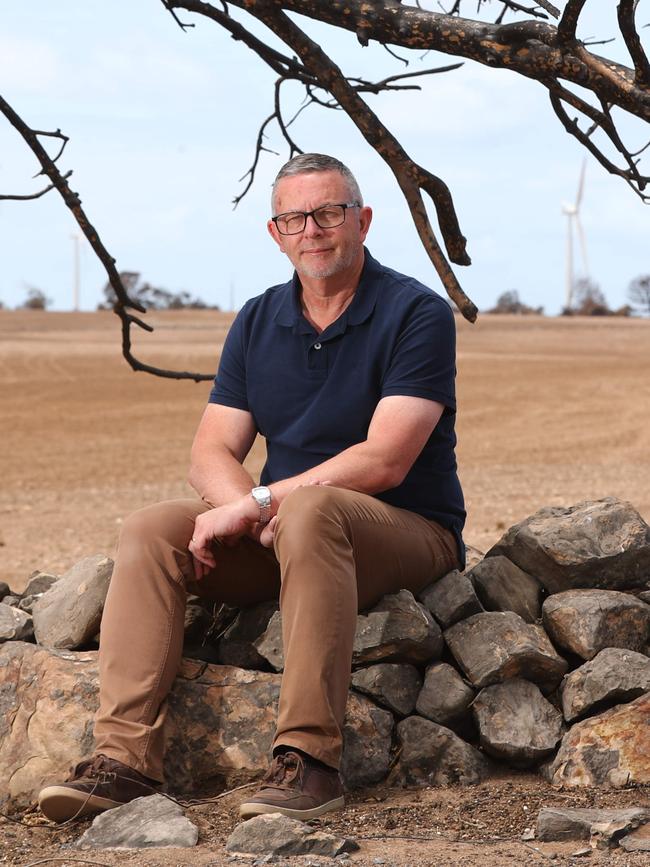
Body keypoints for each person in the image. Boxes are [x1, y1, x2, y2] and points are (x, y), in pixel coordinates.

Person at [38, 153, 465, 824]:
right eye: (295, 217)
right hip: (291, 531)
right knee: (153, 527)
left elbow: (385, 459)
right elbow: (210, 450)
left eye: (329, 213)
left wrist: (264, 501)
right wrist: (245, 506)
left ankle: (310, 762)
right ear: (276, 233)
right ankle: (124, 763)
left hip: (404, 528)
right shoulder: (259, 319)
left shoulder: (416, 312)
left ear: (363, 220)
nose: (313, 230)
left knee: (313, 508)